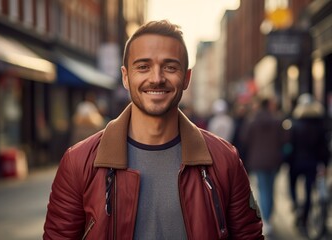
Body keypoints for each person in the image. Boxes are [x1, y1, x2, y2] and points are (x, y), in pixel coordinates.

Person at [43, 20, 264, 239]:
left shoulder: (225, 160)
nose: (156, 78)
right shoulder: (78, 162)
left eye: (169, 67)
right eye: (143, 67)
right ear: (125, 77)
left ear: (186, 78)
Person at [240, 97, 287, 236]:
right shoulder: (277, 121)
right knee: (271, 188)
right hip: (273, 160)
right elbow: (284, 140)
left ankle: (266, 218)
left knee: (262, 189)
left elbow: (244, 139)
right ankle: (269, 216)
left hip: (258, 161)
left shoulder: (252, 121)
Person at [286, 93, 330, 232]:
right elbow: (323, 148)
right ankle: (304, 215)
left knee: (292, 185)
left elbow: (289, 145)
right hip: (312, 163)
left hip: (296, 163)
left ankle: (297, 207)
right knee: (309, 191)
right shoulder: (319, 125)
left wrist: (287, 160)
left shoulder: (294, 124)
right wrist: (324, 163)